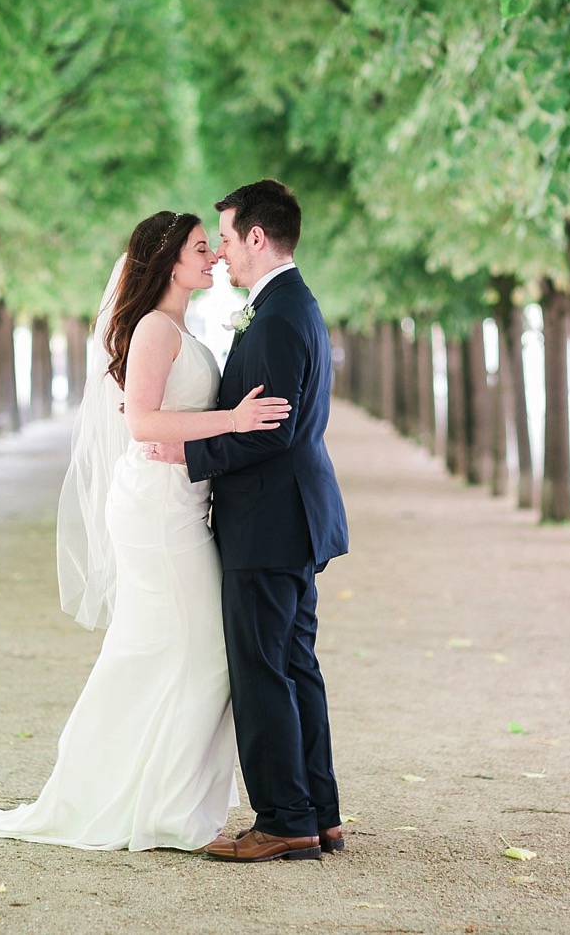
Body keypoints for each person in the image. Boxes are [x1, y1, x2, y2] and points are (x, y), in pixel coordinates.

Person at [0, 210, 288, 852]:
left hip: (175, 504)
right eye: (202, 249)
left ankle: (153, 796)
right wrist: (234, 418)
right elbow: (143, 422)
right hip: (156, 513)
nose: (213, 258)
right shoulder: (153, 328)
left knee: (179, 649)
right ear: (170, 259)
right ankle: (155, 805)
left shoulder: (176, 325)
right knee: (197, 651)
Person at [151, 179, 349, 863]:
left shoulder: (275, 316)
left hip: (268, 518)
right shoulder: (291, 306)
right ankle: (318, 811)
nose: (223, 254)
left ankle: (285, 818)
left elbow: (271, 431)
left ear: (257, 238)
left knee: (263, 669)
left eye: (228, 239)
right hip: (290, 515)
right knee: (294, 666)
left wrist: (188, 450)